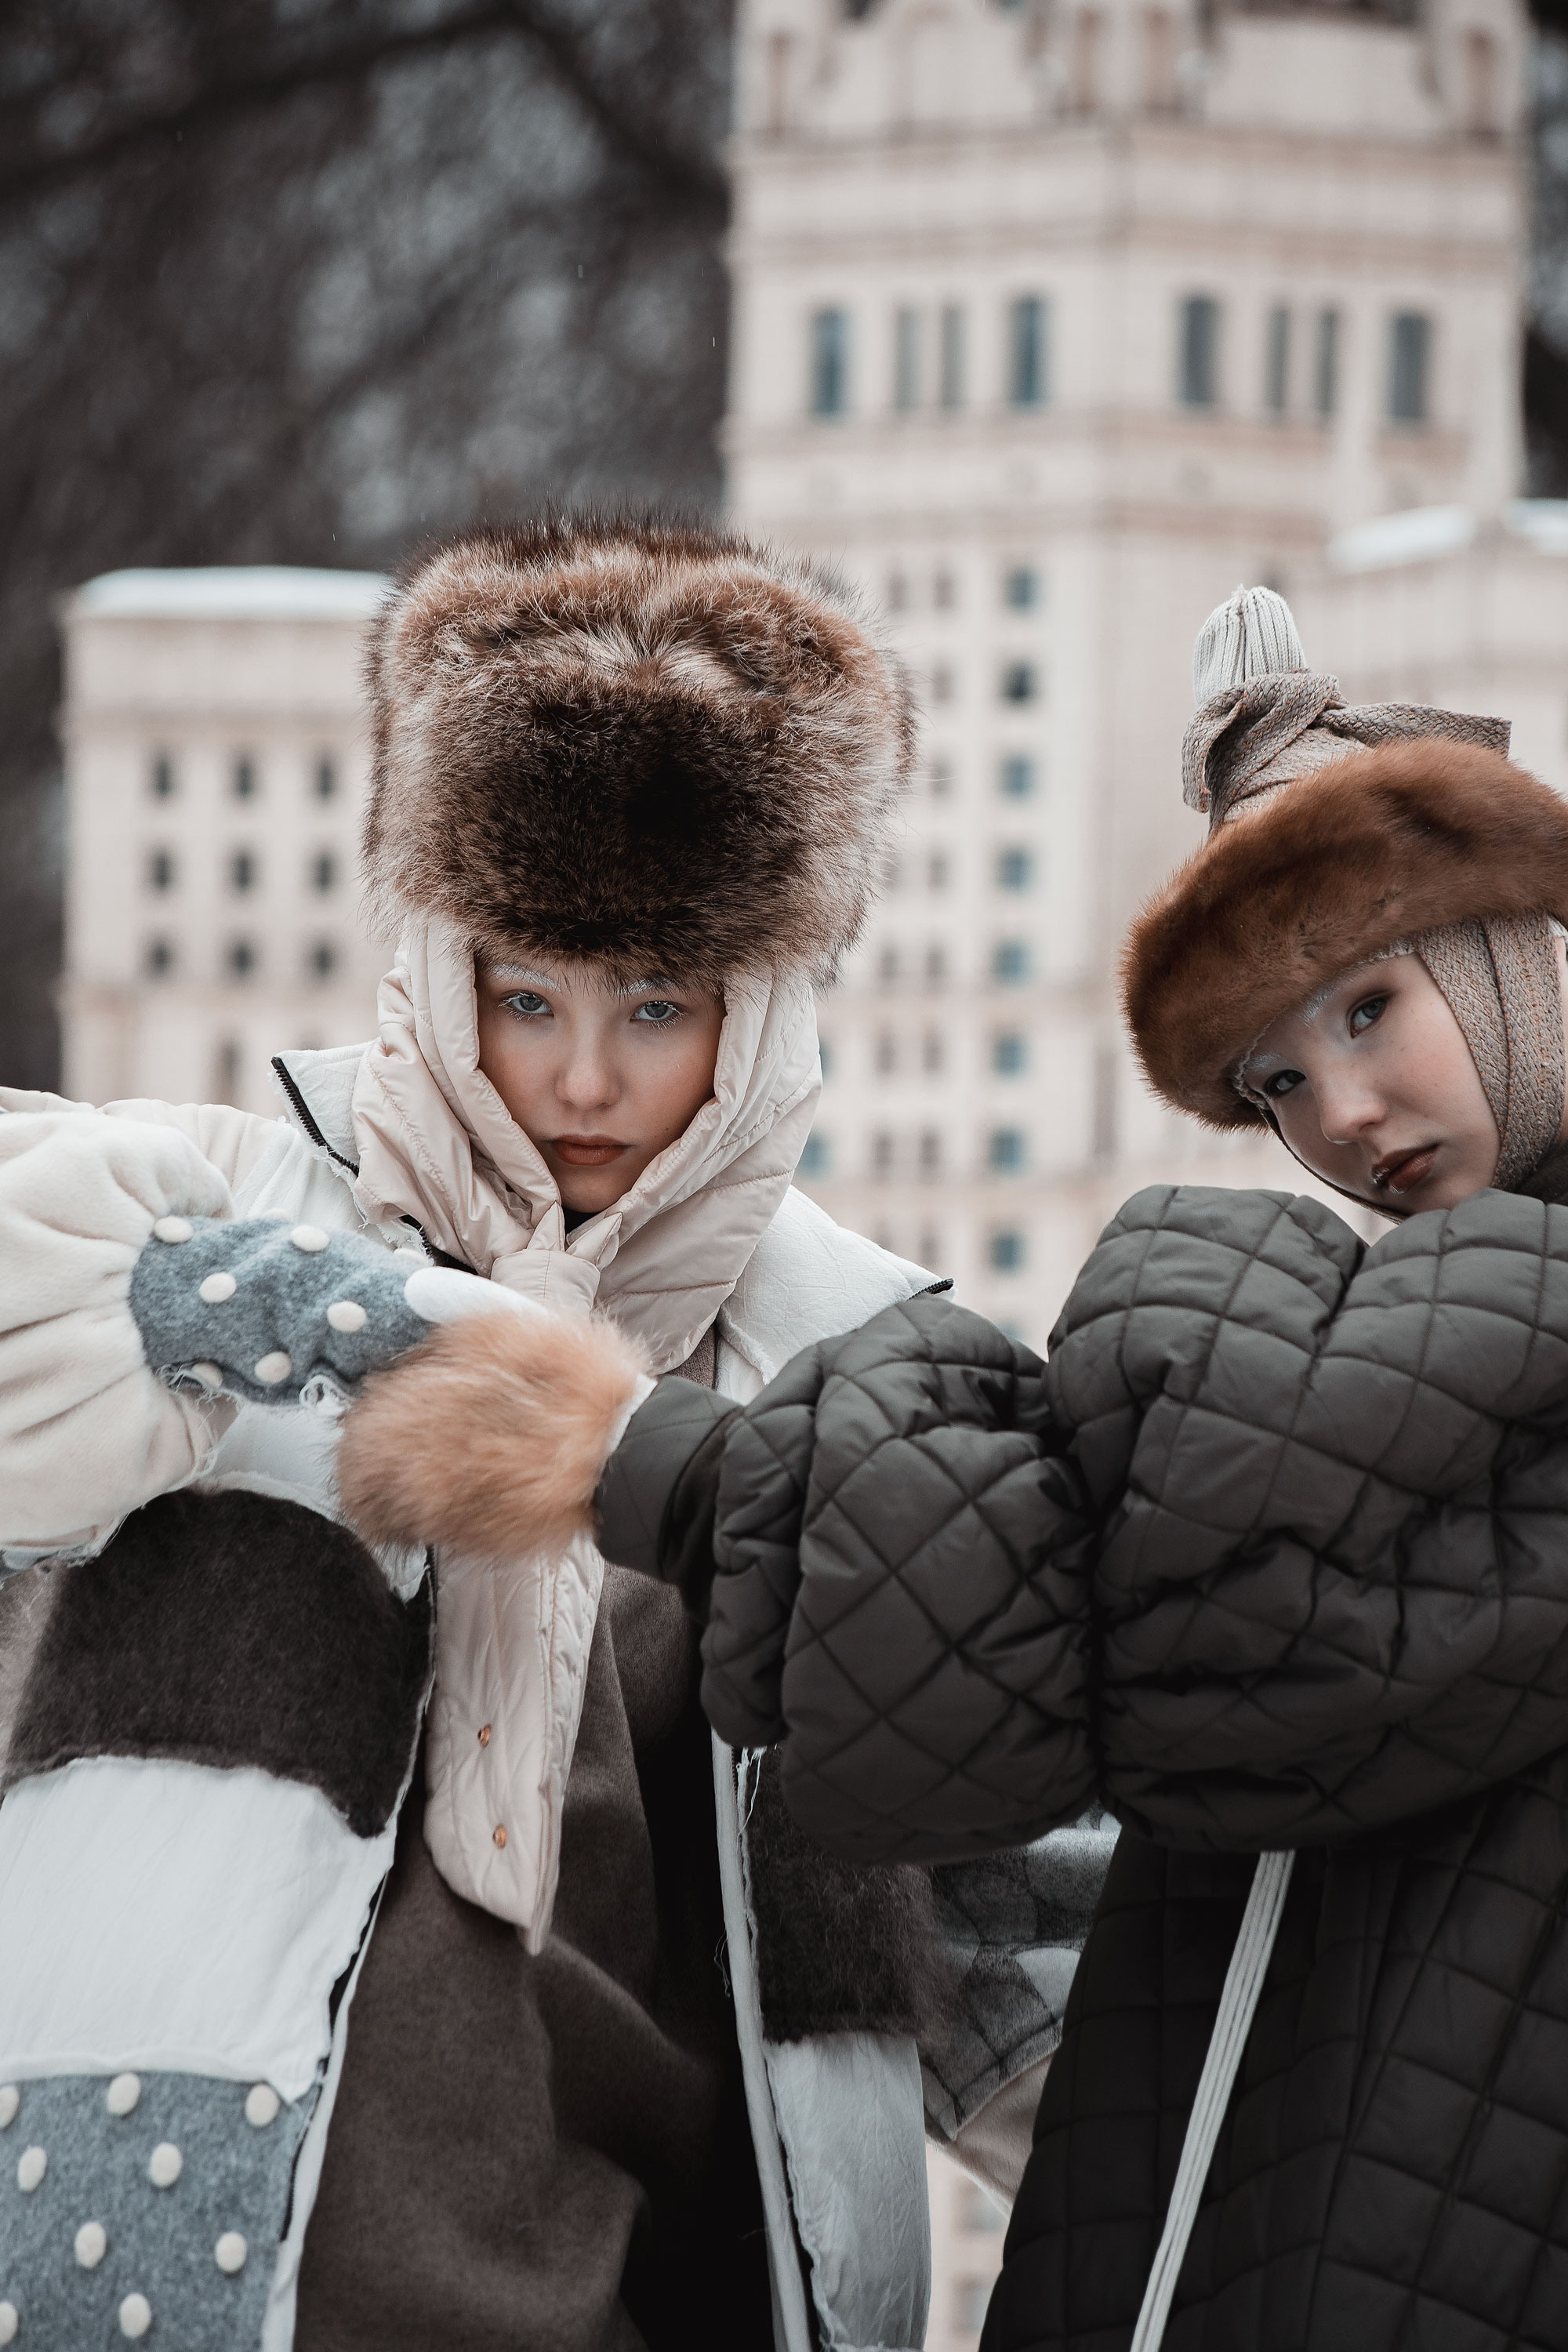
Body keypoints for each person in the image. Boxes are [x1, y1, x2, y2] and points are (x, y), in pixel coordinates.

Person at [356, 585, 1568, 2351]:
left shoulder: (1437, 1358)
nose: (1342, 1117)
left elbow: (1170, 1606)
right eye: (1275, 1076)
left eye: (1372, 1007)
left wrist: (663, 1468)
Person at [0, 517, 1109, 2352]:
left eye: (655, 1008)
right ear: (446, 971)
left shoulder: (872, 1370)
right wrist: (320, 1319)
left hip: (684, 2281)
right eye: (528, 997)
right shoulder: (236, 1209)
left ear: (755, 1015)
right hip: (193, 2251)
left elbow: (1011, 1938)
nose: (583, 1078)